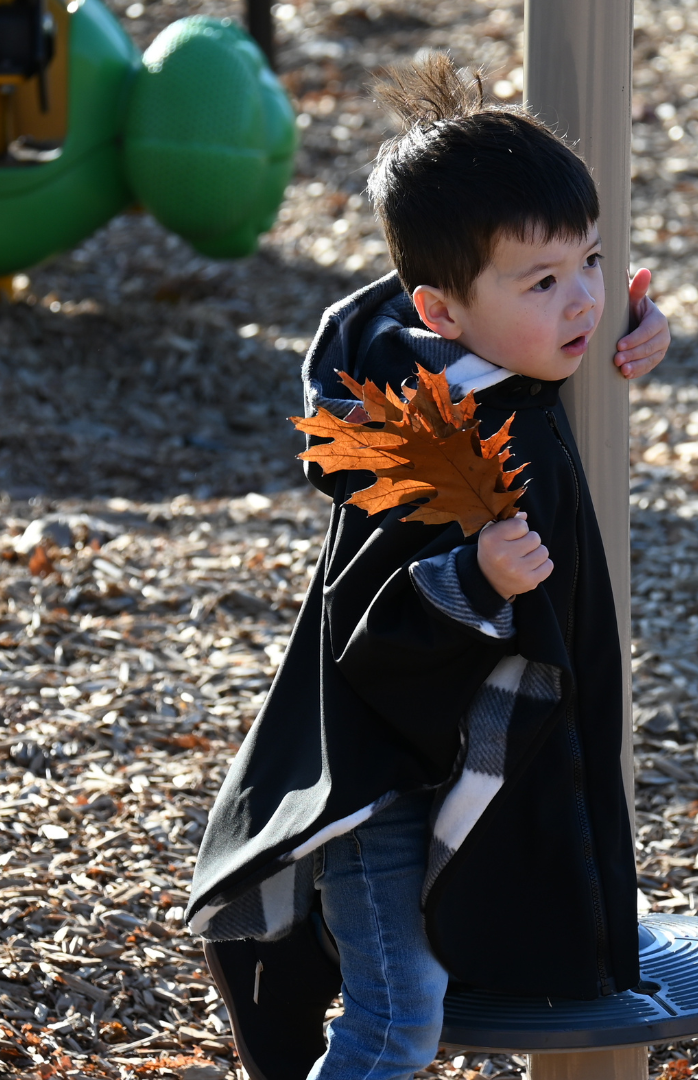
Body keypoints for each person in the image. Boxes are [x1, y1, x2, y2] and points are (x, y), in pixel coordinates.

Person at [185, 53, 671, 1080]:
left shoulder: (496, 347)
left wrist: (629, 318)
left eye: (590, 259)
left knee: (448, 990)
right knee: (400, 1018)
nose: (579, 297)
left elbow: (533, 305)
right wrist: (478, 580)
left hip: (446, 770)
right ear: (442, 313)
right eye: (547, 281)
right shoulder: (420, 437)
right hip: (380, 795)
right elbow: (372, 633)